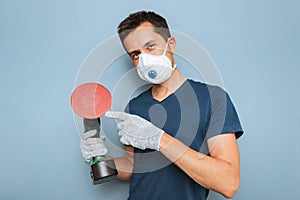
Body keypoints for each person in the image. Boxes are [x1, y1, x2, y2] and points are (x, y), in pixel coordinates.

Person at [80, 11, 243, 200]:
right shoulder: (135, 107)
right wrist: (101, 159)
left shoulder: (213, 99)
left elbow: (228, 183)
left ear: (170, 44)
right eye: (135, 54)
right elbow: (134, 167)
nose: (144, 59)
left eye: (150, 47)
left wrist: (159, 140)